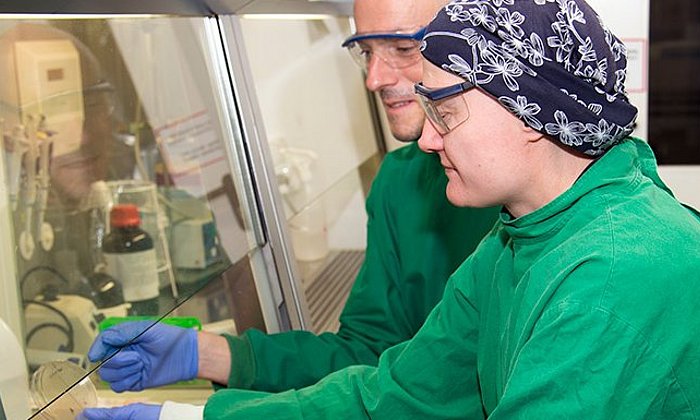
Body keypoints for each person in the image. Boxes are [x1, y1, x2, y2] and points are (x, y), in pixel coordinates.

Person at [85, 0, 700, 418]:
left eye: (446, 111)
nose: (429, 140)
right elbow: (394, 395)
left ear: (530, 112)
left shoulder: (616, 274)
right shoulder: (521, 236)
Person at [81, 0, 499, 417]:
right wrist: (209, 354)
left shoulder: (521, 203)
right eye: (366, 51)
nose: (373, 78)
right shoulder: (401, 178)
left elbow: (438, 390)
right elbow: (371, 353)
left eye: (403, 49)